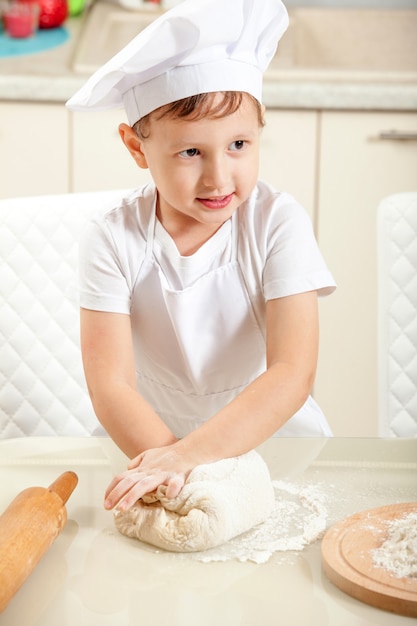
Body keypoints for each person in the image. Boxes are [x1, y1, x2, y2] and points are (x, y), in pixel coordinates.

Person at [66, 0, 336, 513]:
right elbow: (112, 385)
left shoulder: (278, 223)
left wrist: (189, 458)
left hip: (275, 449)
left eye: (238, 144)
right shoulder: (111, 239)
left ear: (260, 132)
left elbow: (291, 372)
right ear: (136, 147)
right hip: (146, 447)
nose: (218, 178)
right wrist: (170, 465)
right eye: (191, 152)